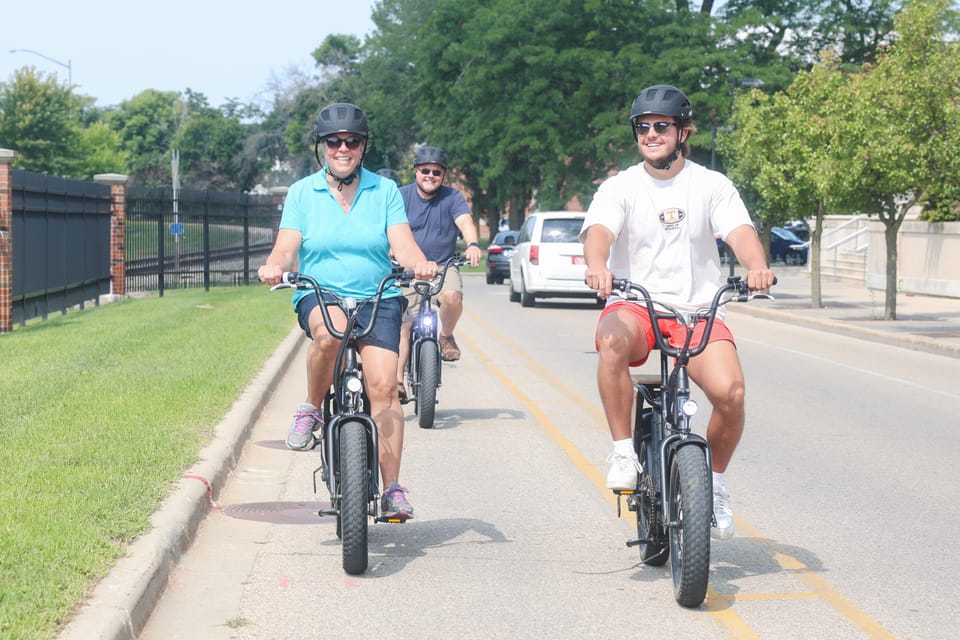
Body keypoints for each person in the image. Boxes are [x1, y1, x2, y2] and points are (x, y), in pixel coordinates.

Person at [580, 85, 776, 540]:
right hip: (636, 305)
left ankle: (716, 482)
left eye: (661, 126)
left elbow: (740, 232)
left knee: (733, 394)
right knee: (609, 342)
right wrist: (597, 265)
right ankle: (625, 451)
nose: (650, 134)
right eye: (642, 127)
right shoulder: (620, 186)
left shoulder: (711, 185)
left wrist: (757, 266)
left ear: (683, 131)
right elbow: (600, 233)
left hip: (697, 310)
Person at [258, 102, 438, 521]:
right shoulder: (303, 192)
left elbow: (404, 242)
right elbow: (287, 245)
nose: (343, 148)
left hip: (379, 296)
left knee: (384, 390)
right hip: (322, 294)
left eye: (352, 142)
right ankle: (310, 407)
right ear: (321, 147)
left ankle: (392, 488)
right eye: (334, 142)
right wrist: (275, 265)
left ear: (364, 146)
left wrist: (419, 262)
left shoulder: (385, 190)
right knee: (331, 335)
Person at [395, 146, 482, 398]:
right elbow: (389, 226)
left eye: (436, 171)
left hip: (444, 265)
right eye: (425, 170)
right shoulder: (401, 196)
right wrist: (390, 249)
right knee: (403, 326)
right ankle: (397, 381)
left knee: (453, 297)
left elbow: (465, 221)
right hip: (408, 270)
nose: (430, 175)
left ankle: (446, 337)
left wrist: (473, 245)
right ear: (416, 171)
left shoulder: (452, 197)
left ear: (443, 175)